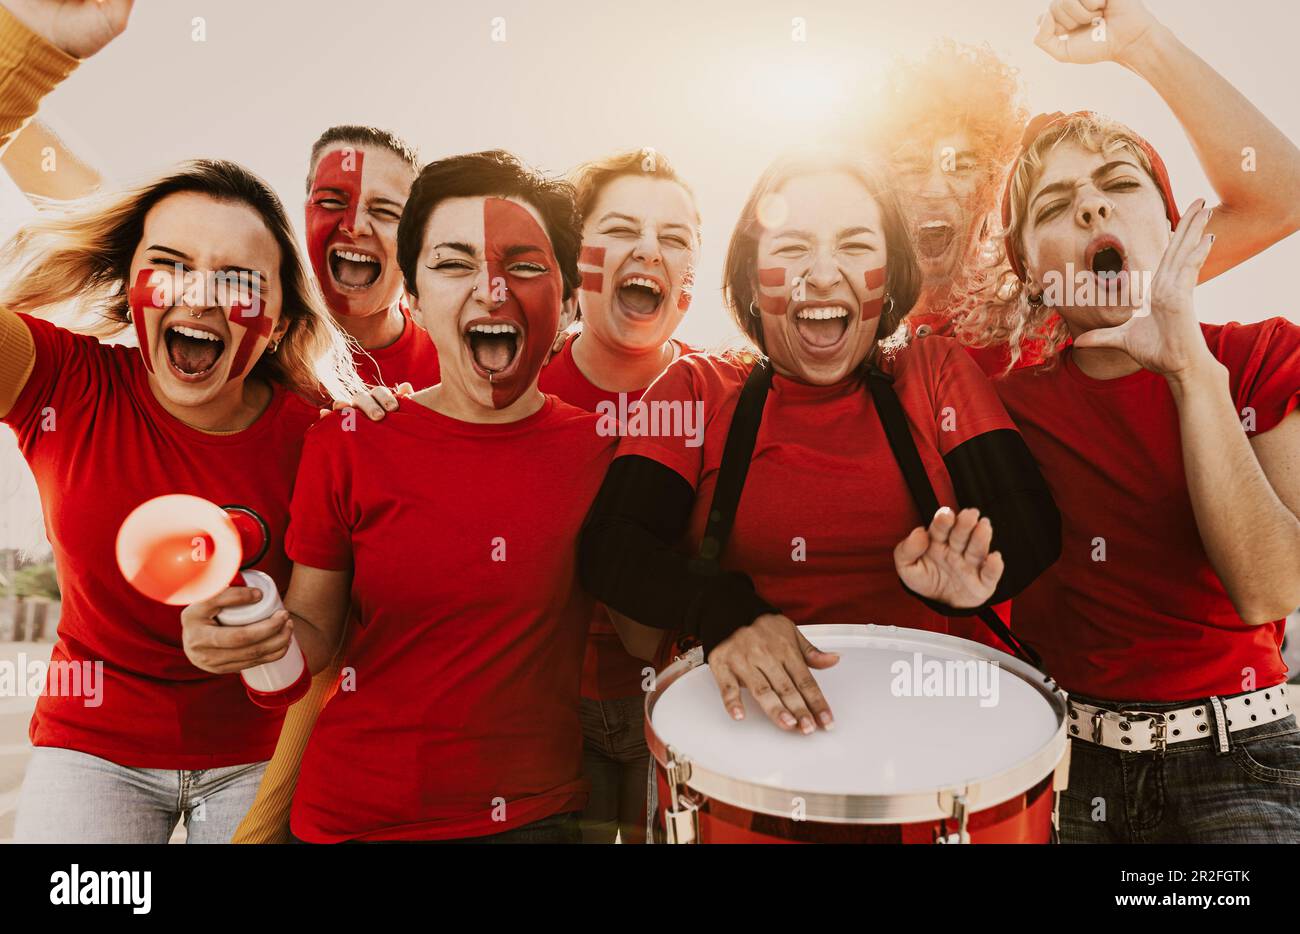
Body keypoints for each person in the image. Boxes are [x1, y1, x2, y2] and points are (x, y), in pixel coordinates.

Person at [0, 0, 366, 842]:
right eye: (168, 265)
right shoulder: (63, 379)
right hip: (91, 753)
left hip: (257, 757)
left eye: (238, 278)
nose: (199, 295)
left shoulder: (321, 435)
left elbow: (326, 643)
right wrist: (31, 53)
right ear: (130, 290)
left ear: (275, 319)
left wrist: (275, 648)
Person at [182, 150, 619, 843]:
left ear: (567, 301)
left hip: (531, 822)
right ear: (410, 293)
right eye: (452, 263)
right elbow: (314, 634)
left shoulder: (611, 452)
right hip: (347, 819)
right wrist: (248, 635)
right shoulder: (349, 441)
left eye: (526, 266)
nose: (491, 290)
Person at [579, 152, 1062, 737]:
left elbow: (1030, 521)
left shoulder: (936, 372)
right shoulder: (697, 389)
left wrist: (976, 573)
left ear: (889, 278)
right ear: (753, 280)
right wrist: (725, 611)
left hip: (931, 740)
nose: (825, 274)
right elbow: (612, 546)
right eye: (791, 248)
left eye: (856, 246)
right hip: (746, 737)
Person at [542, 148, 699, 844]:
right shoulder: (516, 386)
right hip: (547, 712)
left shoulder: (721, 396)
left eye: (674, 237)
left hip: (674, 702)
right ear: (578, 258)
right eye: (621, 229)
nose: (648, 250)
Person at [303, 125, 440, 391]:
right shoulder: (253, 341)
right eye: (331, 201)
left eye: (386, 211)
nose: (355, 226)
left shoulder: (456, 354)